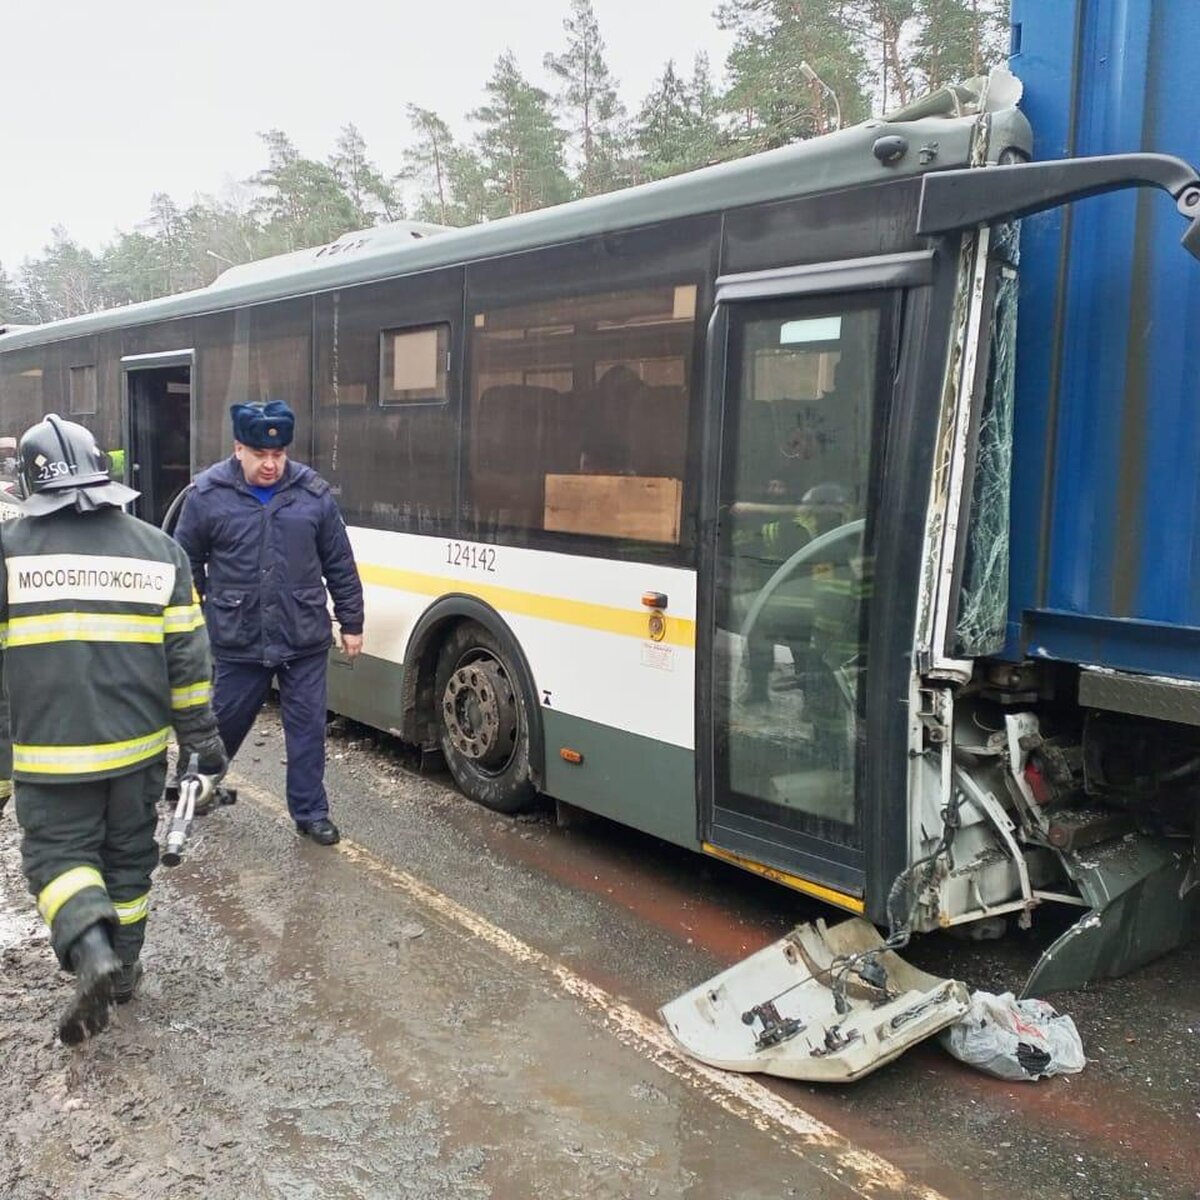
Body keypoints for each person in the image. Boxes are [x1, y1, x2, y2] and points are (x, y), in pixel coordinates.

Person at [0, 415, 227, 1044]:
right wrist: (203, 745)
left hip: (49, 758)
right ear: (106, 476)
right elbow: (189, 661)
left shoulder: (9, 552)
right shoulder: (161, 551)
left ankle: (91, 951)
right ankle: (123, 971)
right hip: (139, 755)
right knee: (129, 859)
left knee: (58, 859)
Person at [174, 400, 363, 846]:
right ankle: (195, 787)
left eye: (278, 455)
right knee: (223, 723)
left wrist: (352, 621)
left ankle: (311, 813)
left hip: (303, 636)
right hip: (238, 637)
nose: (271, 464)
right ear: (239, 448)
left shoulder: (311, 494)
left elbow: (339, 562)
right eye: (261, 455)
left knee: (307, 731)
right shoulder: (207, 495)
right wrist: (199, 617)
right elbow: (183, 562)